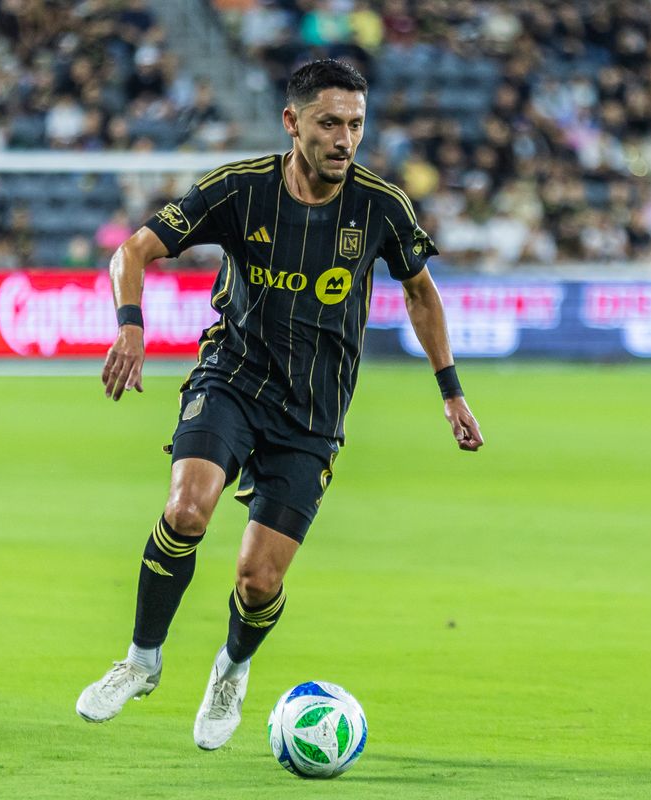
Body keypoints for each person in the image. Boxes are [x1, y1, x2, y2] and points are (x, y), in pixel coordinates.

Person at [75, 59, 483, 750]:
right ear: (292, 123)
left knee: (257, 579)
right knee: (186, 508)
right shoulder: (239, 191)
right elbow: (134, 251)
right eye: (330, 123)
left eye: (356, 124)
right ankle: (141, 660)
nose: (344, 139)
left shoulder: (382, 206)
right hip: (233, 377)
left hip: (314, 412)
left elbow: (421, 294)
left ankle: (231, 669)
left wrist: (452, 394)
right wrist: (130, 324)